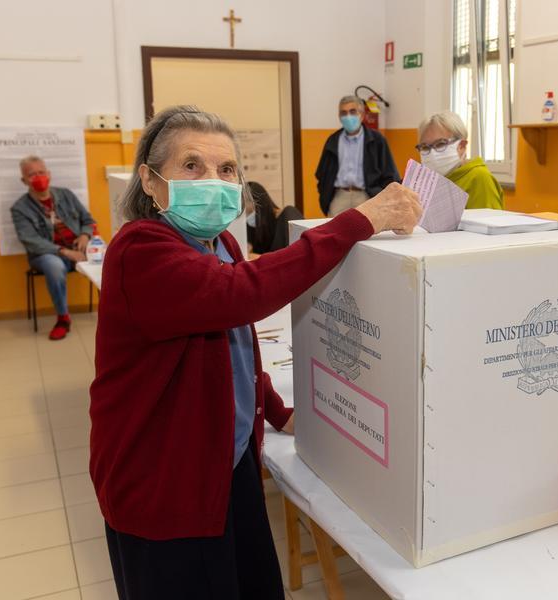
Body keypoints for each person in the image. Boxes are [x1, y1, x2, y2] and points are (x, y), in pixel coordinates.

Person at [89, 105, 420, 600]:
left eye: (226, 170)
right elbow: (240, 295)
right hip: (165, 480)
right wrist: (361, 219)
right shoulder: (140, 252)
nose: (214, 181)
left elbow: (233, 341)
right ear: (151, 181)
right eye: (192, 166)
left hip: (228, 460)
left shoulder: (217, 241)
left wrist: (274, 408)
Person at [10, 156, 96, 340]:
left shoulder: (66, 195)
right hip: (46, 255)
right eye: (31, 174)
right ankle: (63, 318)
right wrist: (64, 252)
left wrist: (84, 235)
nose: (38, 177)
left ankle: (114, 312)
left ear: (48, 174)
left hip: (78, 248)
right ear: (23, 180)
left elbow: (88, 220)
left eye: (41, 172)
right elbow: (30, 240)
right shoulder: (19, 208)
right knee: (54, 266)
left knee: (109, 256)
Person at [315, 95, 400, 216]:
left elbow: (390, 174)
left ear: (362, 115)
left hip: (367, 196)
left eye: (352, 111)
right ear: (339, 116)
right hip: (339, 196)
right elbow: (322, 174)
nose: (348, 116)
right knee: (334, 232)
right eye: (343, 113)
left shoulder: (377, 140)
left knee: (369, 233)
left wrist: (381, 197)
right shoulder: (332, 141)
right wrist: (326, 195)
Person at [417, 110, 503, 210]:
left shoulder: (479, 178)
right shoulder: (428, 180)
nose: (432, 153)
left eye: (440, 144)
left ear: (461, 146)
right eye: (425, 147)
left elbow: (489, 222)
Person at [245, 181, 304, 255]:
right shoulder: (252, 227)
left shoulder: (288, 214)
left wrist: (259, 258)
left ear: (258, 202)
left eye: (245, 201)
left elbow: (298, 253)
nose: (242, 207)